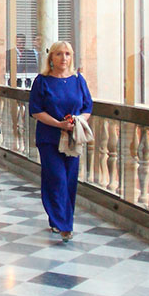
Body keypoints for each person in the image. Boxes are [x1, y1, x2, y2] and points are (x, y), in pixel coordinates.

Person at [28, 40, 92, 242]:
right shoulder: (42, 81)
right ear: (51, 58)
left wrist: (77, 121)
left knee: (70, 181)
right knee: (56, 179)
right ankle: (65, 225)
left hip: (72, 138)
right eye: (59, 54)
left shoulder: (77, 80)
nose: (63, 58)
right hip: (49, 138)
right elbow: (36, 110)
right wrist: (58, 124)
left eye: (67, 54)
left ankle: (59, 219)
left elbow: (87, 107)